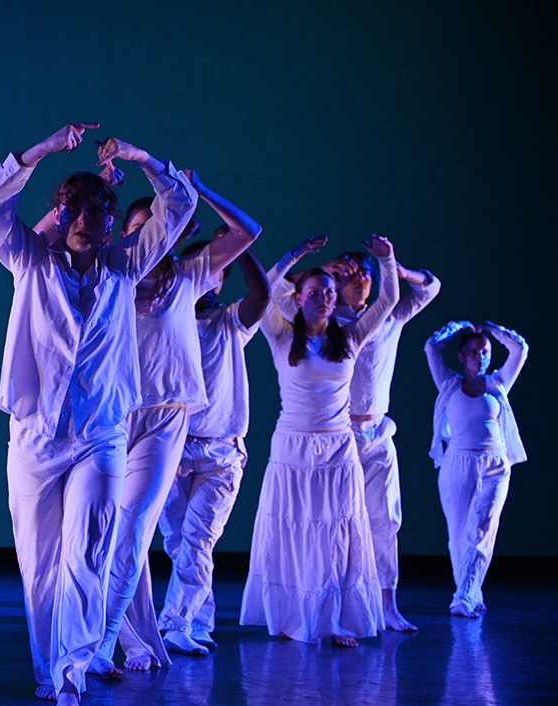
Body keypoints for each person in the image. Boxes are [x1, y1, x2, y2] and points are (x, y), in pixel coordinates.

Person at [0, 121, 194, 706]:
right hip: (37, 436)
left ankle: (71, 676)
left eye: (97, 208)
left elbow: (180, 202)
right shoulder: (29, 260)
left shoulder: (126, 264)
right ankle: (50, 669)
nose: (85, 218)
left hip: (101, 435)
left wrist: (139, 153)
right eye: (73, 206)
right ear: (59, 212)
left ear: (108, 218)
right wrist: (41, 149)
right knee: (40, 560)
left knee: (87, 551)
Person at [107, 171, 261, 668]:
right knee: (112, 535)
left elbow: (246, 233)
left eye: (158, 225)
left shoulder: (190, 275)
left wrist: (200, 188)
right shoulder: (112, 276)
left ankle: (103, 642)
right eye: (138, 227)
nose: (148, 235)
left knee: (133, 534)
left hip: (168, 420)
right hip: (114, 415)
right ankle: (132, 637)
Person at [268, 244, 442, 632]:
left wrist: (392, 263)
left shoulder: (388, 316)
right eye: (351, 272)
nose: (361, 276)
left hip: (376, 430)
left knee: (384, 520)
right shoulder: (325, 321)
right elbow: (277, 291)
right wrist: (320, 269)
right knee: (333, 524)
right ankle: (327, 607)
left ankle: (385, 604)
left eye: (368, 272)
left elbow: (429, 287)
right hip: (336, 436)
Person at [239, 235, 400, 646]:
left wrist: (387, 261)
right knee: (295, 530)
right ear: (300, 297)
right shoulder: (279, 333)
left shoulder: (348, 338)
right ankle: (294, 617)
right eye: (315, 292)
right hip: (292, 447)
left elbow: (387, 303)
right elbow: (267, 287)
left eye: (330, 293)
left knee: (336, 534)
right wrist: (295, 253)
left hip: (338, 448)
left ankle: (331, 618)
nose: (325, 299)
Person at [156, 242, 270, 653]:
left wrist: (239, 247)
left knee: (198, 539)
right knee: (179, 543)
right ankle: (198, 620)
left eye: (216, 269)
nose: (209, 276)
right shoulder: (166, 319)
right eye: (202, 268)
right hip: (171, 446)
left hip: (221, 452)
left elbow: (262, 296)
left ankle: (175, 623)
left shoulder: (230, 321)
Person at [425, 321, 527, 617]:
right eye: (473, 351)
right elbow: (431, 347)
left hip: (495, 465)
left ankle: (463, 597)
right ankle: (471, 590)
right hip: (457, 464)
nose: (480, 356)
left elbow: (520, 348)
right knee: (459, 534)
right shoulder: (448, 384)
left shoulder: (498, 383)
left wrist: (493, 330)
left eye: (485, 351)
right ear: (461, 355)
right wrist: (456, 328)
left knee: (481, 529)